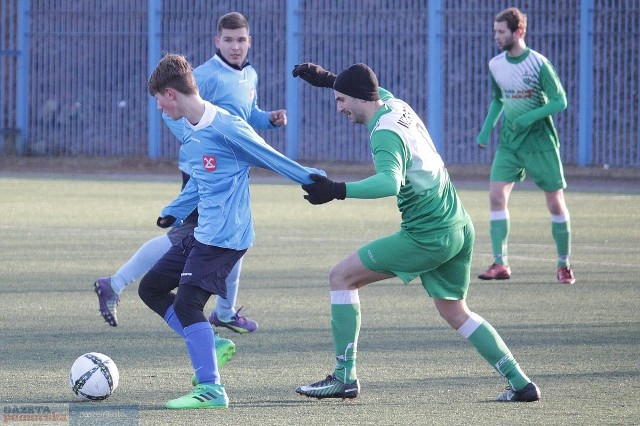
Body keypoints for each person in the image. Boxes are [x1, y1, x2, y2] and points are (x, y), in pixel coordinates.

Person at [291, 62, 540, 402]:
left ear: (357, 98)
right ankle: (521, 383)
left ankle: (344, 376)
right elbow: (369, 88)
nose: (339, 109)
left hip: (428, 234)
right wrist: (327, 80)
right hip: (459, 225)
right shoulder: (395, 104)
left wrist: (336, 189)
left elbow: (389, 182)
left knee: (341, 277)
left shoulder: (383, 133)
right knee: (455, 311)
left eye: (340, 101)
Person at [142, 53, 323, 409]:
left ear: (171, 93)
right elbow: (200, 181)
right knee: (151, 288)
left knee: (188, 303)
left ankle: (211, 389)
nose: (160, 108)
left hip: (226, 236)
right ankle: (209, 344)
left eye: (159, 100)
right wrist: (173, 211)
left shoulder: (225, 126)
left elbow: (270, 156)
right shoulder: (191, 132)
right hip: (203, 230)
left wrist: (315, 180)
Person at [94, 12, 286, 330]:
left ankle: (223, 312)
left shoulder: (249, 75)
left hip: (231, 170)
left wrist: (270, 120)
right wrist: (198, 141)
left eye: (241, 40)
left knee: (232, 238)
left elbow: (247, 115)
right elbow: (174, 112)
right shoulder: (206, 75)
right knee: (189, 238)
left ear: (249, 41)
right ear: (217, 41)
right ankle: (115, 283)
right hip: (205, 170)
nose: (235, 46)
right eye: (228, 40)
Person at [476, 7, 575, 284]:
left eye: (501, 31)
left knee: (555, 203)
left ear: (518, 32)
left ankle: (564, 264)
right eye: (495, 31)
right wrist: (485, 130)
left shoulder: (539, 63)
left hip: (540, 143)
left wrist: (529, 117)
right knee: (496, 196)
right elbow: (498, 100)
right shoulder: (496, 64)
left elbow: (560, 101)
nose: (496, 36)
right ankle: (500, 263)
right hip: (510, 144)